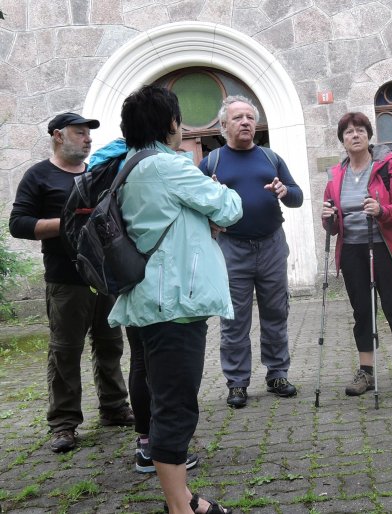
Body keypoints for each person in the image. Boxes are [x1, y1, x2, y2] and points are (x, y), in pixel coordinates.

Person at [107, 85, 242, 514]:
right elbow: (230, 208)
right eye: (179, 119)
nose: (182, 128)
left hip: (150, 300)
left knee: (165, 396)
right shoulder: (168, 166)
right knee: (176, 405)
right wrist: (216, 191)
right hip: (175, 305)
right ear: (169, 124)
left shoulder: (130, 166)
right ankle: (178, 507)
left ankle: (185, 498)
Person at [9, 113, 134, 454]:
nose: (87, 139)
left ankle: (114, 408)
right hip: (66, 280)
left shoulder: (96, 173)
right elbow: (18, 224)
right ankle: (64, 424)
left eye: (88, 134)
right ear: (58, 137)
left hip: (104, 276)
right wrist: (68, 222)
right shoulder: (39, 176)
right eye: (79, 133)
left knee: (110, 344)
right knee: (65, 352)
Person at [87, 137, 199, 474]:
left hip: (125, 267)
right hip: (158, 277)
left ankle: (146, 444)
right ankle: (164, 449)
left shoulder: (115, 159)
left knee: (140, 360)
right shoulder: (155, 162)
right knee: (165, 369)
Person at [197, 95, 303, 408]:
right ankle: (237, 382)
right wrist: (212, 199)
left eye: (249, 117)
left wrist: (285, 191)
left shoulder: (270, 158)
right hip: (232, 249)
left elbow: (296, 196)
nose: (245, 122)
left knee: (276, 313)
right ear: (223, 125)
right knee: (234, 320)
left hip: (271, 244)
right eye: (238, 118)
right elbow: (195, 207)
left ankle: (277, 373)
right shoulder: (212, 163)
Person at [320, 111, 392, 399]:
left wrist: (382, 211)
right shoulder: (336, 175)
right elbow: (332, 223)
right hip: (353, 250)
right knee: (361, 312)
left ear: (368, 136)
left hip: (387, 249)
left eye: (359, 130)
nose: (354, 135)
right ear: (342, 141)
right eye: (348, 132)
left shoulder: (388, 167)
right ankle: (366, 372)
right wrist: (328, 217)